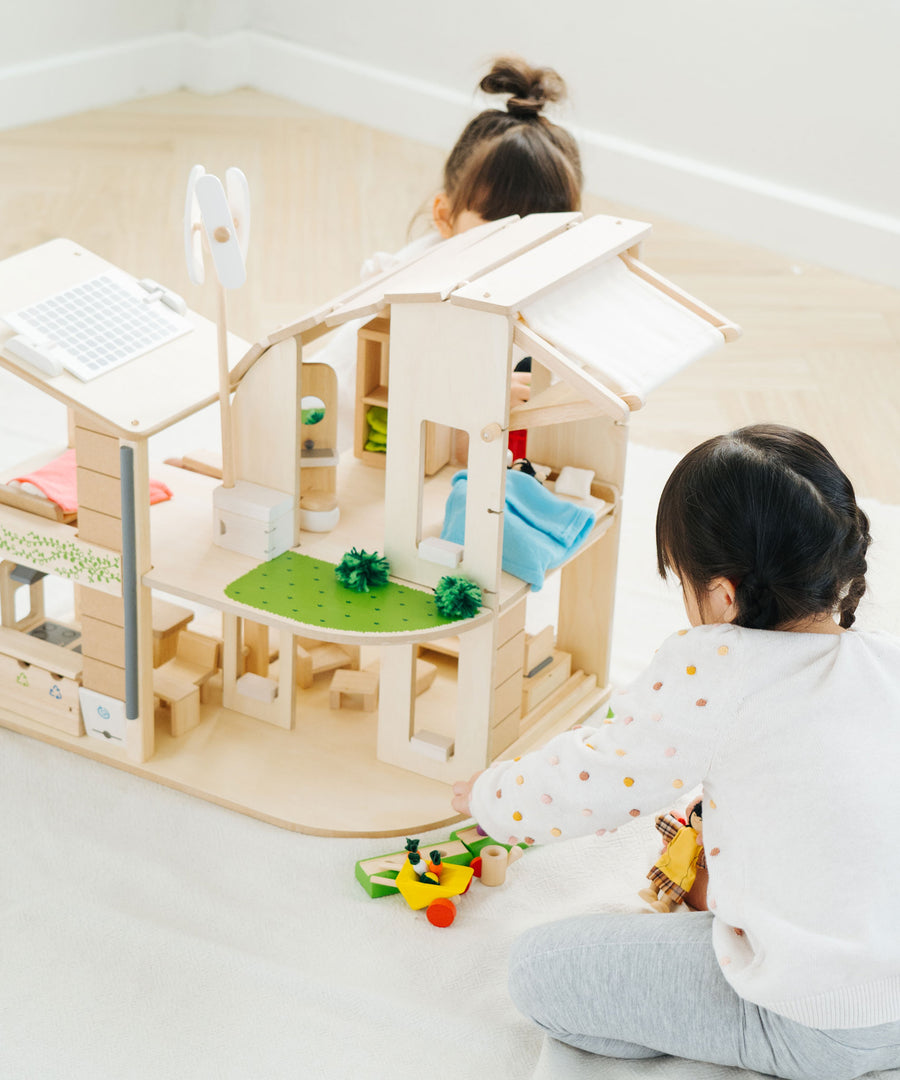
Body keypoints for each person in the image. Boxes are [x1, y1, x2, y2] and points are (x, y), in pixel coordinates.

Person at [451, 424, 900, 1080]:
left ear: (722, 594)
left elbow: (592, 775)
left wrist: (491, 797)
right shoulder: (885, 658)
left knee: (540, 972)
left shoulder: (717, 667)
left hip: (821, 1023)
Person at [320, 56, 584, 455]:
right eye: (500, 229)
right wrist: (479, 392)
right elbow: (398, 380)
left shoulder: (538, 278)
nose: (522, 248)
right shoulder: (416, 288)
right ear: (445, 217)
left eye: (543, 231)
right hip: (346, 436)